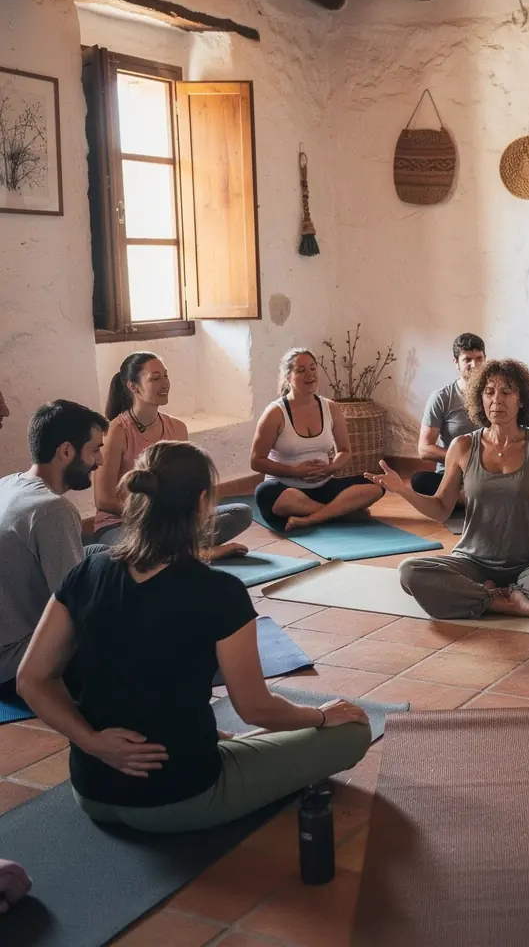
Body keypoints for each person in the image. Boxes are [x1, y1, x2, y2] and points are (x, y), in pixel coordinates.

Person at [17, 441, 371, 833]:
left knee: (231, 735)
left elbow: (31, 679)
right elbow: (256, 709)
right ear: (203, 503)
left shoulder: (86, 571)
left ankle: (225, 742)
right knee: (353, 731)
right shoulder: (219, 591)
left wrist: (92, 742)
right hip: (183, 796)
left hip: (92, 793)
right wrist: (321, 716)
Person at [368, 359, 529, 621]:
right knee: (410, 571)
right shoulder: (462, 446)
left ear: (522, 400)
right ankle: (508, 602)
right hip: (473, 561)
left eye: (506, 392)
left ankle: (487, 595)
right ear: (480, 399)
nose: (496, 399)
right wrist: (403, 490)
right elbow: (441, 509)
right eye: (489, 392)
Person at [91, 353, 252, 558]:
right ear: (134, 387)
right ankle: (196, 553)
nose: (165, 383)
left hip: (171, 523)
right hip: (123, 524)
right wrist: (153, 517)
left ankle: (177, 551)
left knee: (241, 513)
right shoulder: (116, 431)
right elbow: (103, 500)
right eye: (155, 378)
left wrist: (184, 516)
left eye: (166, 376)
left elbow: (185, 483)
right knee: (139, 548)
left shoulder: (177, 428)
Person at [0, 400, 108, 690]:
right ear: (66, 451)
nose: (99, 461)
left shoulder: (8, 484)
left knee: (103, 554)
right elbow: (79, 610)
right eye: (95, 449)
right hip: (15, 662)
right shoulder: (52, 510)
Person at [251, 349, 383, 530]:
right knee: (264, 493)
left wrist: (330, 469)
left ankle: (312, 518)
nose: (310, 375)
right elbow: (256, 461)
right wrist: (294, 472)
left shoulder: (331, 408)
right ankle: (340, 513)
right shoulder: (275, 413)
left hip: (324, 485)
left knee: (376, 484)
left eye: (313, 368)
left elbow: (344, 451)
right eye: (301, 370)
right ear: (288, 377)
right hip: (287, 490)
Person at [412, 333, 485, 497]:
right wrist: (463, 459)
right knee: (420, 480)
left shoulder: (495, 396)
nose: (474, 365)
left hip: (488, 473)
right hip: (453, 474)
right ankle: (471, 499)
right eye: (467, 360)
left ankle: (463, 500)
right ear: (456, 362)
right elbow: (424, 449)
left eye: (479, 358)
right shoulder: (441, 398)